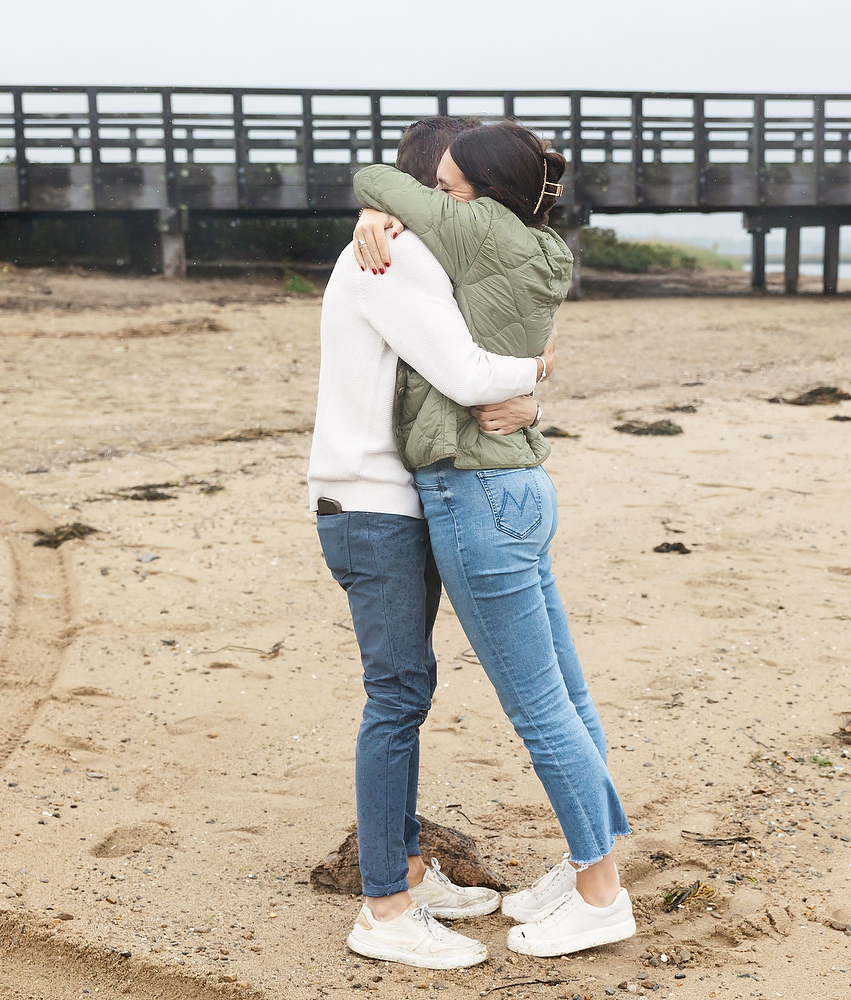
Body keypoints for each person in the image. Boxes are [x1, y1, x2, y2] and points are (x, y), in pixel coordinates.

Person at [351, 119, 634, 958]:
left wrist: (380, 213)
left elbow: (377, 175)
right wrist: (539, 383)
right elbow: (526, 349)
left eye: (447, 187)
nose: (436, 197)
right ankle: (593, 860)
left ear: (479, 192)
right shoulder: (549, 250)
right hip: (524, 481)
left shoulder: (471, 234)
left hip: (474, 489)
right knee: (569, 696)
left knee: (539, 708)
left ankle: (599, 890)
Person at [309, 116, 549, 970]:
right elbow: (466, 376)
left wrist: (524, 398)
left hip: (386, 503)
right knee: (398, 694)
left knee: (408, 689)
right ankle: (382, 911)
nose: (462, 205)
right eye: (451, 189)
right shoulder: (397, 255)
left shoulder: (412, 252)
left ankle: (404, 868)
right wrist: (541, 373)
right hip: (370, 505)